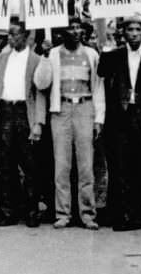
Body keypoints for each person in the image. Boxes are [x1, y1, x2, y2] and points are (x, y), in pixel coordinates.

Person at [35, 17, 104, 229]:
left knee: (85, 165)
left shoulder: (91, 54)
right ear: (62, 32)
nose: (75, 31)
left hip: (85, 107)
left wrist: (99, 117)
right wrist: (45, 57)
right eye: (70, 28)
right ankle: (62, 213)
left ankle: (87, 214)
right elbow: (41, 82)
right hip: (61, 109)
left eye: (78, 28)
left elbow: (98, 87)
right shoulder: (53, 53)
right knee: (62, 165)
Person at [98, 16, 141, 231]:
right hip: (121, 117)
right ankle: (126, 215)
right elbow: (102, 72)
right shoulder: (116, 54)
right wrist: (106, 48)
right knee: (122, 166)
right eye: (130, 30)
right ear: (124, 33)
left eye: (137, 30)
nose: (134, 33)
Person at [0, 20, 45, 227]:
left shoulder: (37, 60)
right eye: (9, 34)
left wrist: (38, 122)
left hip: (24, 112)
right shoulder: (2, 58)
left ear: (26, 36)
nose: (10, 38)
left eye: (14, 34)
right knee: (5, 163)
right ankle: (7, 212)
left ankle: (31, 211)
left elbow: (40, 93)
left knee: (30, 164)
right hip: (4, 111)